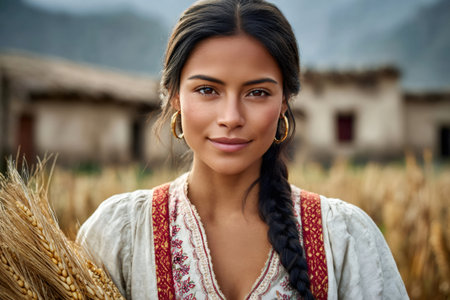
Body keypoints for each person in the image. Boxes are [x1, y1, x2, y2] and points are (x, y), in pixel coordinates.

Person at [76, 0, 409, 299]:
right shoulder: (121, 236)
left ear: (284, 102)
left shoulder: (345, 239)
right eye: (207, 90)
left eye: (257, 93)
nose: (231, 118)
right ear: (175, 95)